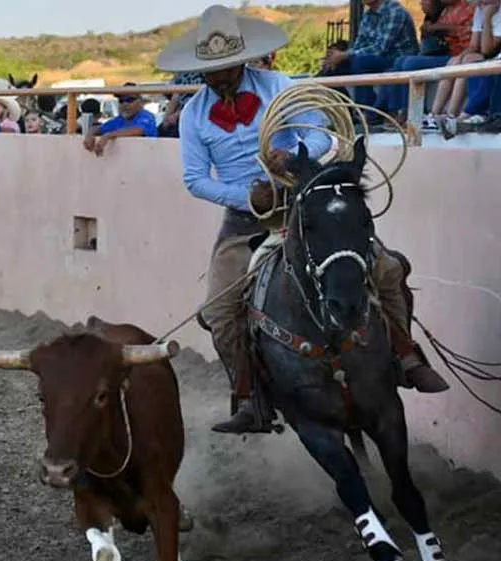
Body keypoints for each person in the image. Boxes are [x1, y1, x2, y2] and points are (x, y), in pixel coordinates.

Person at [156, 5, 449, 435]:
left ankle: (406, 355)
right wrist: (247, 195)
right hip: (245, 219)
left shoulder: (281, 87)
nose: (219, 79)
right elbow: (195, 179)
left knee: (386, 269)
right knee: (219, 309)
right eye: (211, 72)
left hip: (303, 203)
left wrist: (294, 159)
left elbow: (320, 134)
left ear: (243, 60)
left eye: (226, 68)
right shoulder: (194, 115)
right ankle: (249, 397)